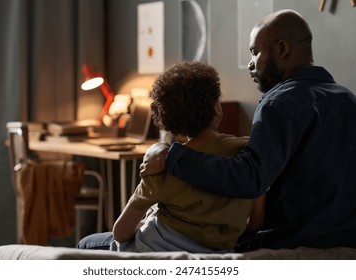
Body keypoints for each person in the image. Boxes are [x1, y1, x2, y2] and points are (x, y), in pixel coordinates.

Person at [140, 9, 356, 251]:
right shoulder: (347, 99)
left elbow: (250, 178)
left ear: (282, 49)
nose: (251, 65)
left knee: (92, 243)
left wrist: (171, 156)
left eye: (255, 52)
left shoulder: (279, 102)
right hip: (345, 241)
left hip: (293, 242)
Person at [78, 61, 265, 251]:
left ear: (171, 124)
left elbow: (120, 233)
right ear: (217, 109)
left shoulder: (161, 167)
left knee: (86, 244)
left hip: (155, 251)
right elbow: (254, 223)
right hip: (216, 253)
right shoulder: (249, 154)